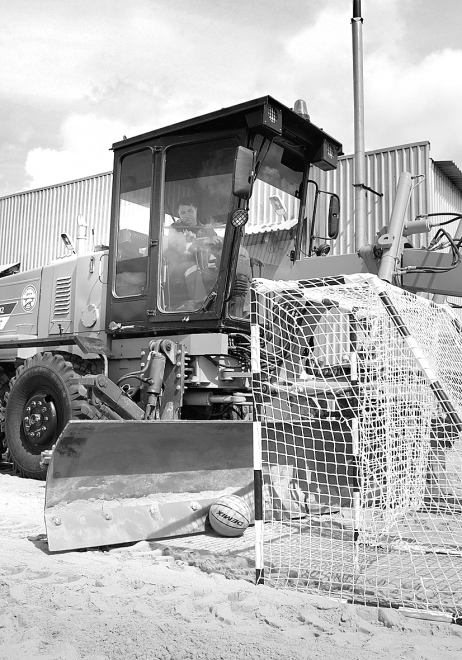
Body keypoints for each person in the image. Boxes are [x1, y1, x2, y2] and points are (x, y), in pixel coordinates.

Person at [162, 197, 222, 309]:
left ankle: (241, 307)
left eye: (190, 211)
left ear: (196, 210)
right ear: (179, 214)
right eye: (183, 213)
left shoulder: (207, 229)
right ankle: (201, 305)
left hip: (204, 267)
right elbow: (178, 250)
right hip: (178, 266)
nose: (187, 215)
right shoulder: (174, 229)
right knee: (192, 267)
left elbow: (218, 247)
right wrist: (199, 243)